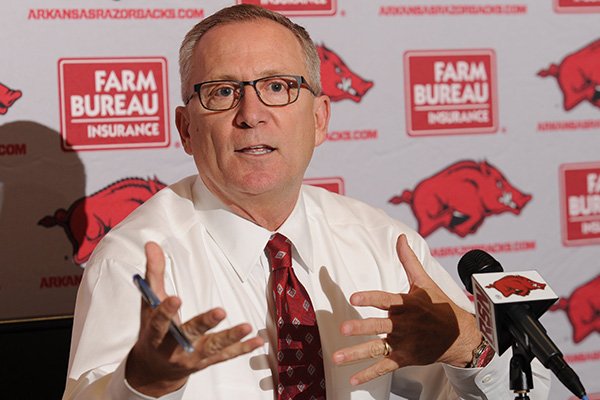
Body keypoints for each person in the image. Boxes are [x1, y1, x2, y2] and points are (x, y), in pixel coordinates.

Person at [63, 4, 551, 400]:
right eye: (222, 91)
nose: (252, 114)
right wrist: (144, 385)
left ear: (319, 118)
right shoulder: (134, 261)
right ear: (187, 129)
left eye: (278, 87)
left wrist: (469, 348)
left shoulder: (383, 244)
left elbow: (525, 395)